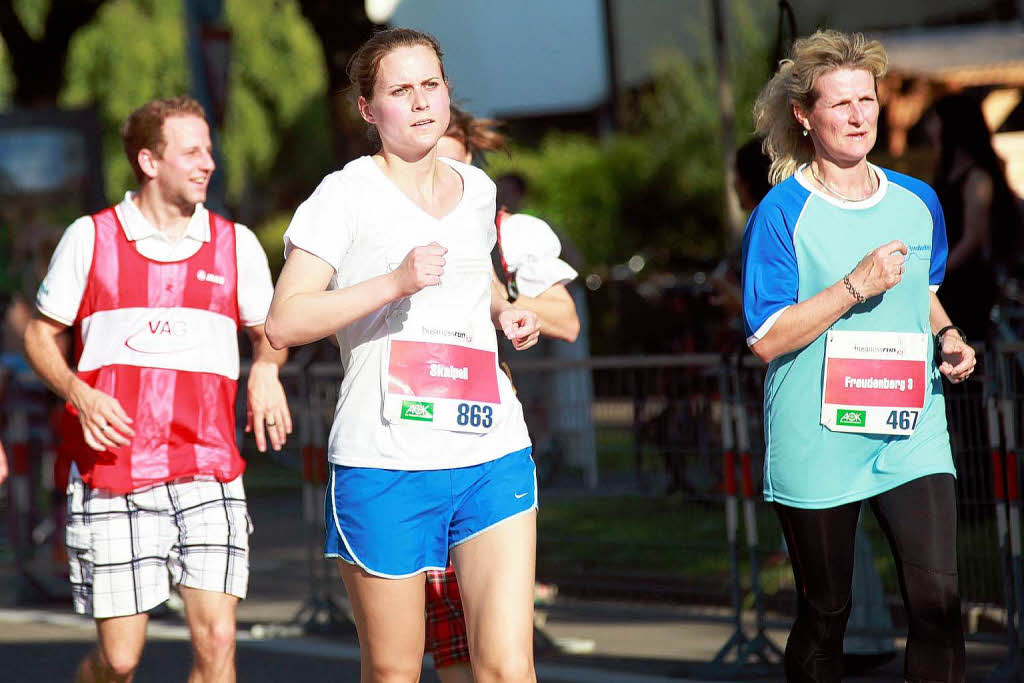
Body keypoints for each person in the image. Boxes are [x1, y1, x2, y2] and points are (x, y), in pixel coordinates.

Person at [265, 28, 541, 683]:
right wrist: (392, 281)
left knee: (506, 666)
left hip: (489, 447)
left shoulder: (477, 191)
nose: (420, 102)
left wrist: (508, 312)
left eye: (430, 85)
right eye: (399, 90)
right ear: (368, 109)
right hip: (385, 459)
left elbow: (478, 286)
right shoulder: (345, 195)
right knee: (394, 669)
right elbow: (285, 318)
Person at [24, 96, 291, 683]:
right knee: (120, 661)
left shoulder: (235, 243)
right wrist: (79, 393)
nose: (208, 164)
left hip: (209, 466)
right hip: (113, 470)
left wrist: (267, 370)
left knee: (218, 640)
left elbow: (270, 331)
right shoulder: (89, 238)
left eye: (210, 151)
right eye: (191, 151)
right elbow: (41, 336)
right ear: (148, 160)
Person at [742, 30, 975, 682]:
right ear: (804, 115)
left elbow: (926, 297)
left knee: (938, 605)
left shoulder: (917, 201)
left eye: (866, 100)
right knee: (828, 612)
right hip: (818, 436)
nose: (856, 115)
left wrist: (950, 337)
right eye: (839, 103)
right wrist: (852, 287)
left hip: (909, 428)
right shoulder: (782, 213)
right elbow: (765, 338)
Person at [422, 108, 580, 682]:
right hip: (410, 438)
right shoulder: (386, 220)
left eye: (454, 157)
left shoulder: (510, 233)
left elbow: (565, 320)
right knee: (447, 648)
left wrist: (502, 303)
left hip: (488, 429)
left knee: (502, 658)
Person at [924, 93, 1022, 342]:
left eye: (935, 122)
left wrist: (935, 272)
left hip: (967, 286)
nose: (930, 129)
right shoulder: (945, 173)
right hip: (949, 277)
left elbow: (973, 239)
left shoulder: (976, 177)